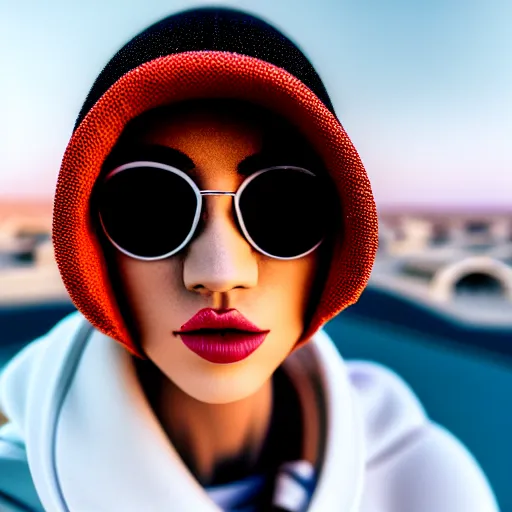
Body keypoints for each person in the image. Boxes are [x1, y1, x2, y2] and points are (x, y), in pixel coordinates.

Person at [0, 7, 499, 512]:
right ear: (93, 250)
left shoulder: (427, 486)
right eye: (149, 208)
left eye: (283, 209)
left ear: (337, 244)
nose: (221, 274)